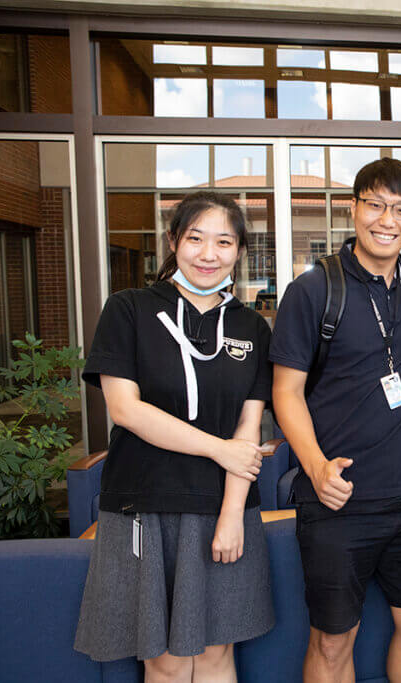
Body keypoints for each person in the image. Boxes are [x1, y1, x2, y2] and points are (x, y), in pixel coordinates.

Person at [271, 158, 401, 683]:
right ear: (354, 208)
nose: (388, 219)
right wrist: (314, 468)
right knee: (333, 640)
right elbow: (285, 392)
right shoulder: (314, 290)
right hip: (340, 498)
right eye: (376, 205)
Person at [74, 192, 274, 682]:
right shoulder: (129, 309)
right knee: (161, 660)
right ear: (173, 242)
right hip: (146, 504)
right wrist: (217, 447)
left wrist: (232, 516)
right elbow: (125, 409)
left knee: (214, 654)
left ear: (239, 250)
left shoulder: (251, 326)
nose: (209, 254)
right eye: (196, 238)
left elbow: (249, 427)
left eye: (224, 242)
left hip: (222, 506)